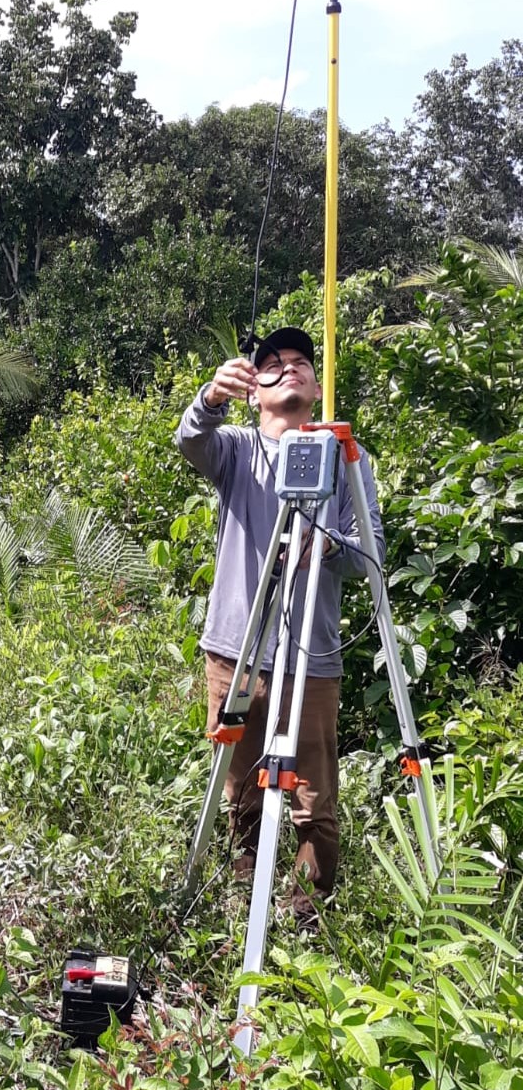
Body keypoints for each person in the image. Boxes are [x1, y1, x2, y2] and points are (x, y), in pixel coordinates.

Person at [175, 327, 385, 923]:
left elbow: (369, 550)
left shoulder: (346, 457)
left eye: (299, 363)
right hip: (235, 651)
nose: (287, 368)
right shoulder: (236, 447)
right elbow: (190, 440)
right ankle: (241, 902)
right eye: (271, 364)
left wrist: (324, 546)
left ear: (316, 388)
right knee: (237, 788)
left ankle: (304, 920)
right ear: (253, 389)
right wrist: (209, 398)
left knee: (314, 804)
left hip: (310, 660)